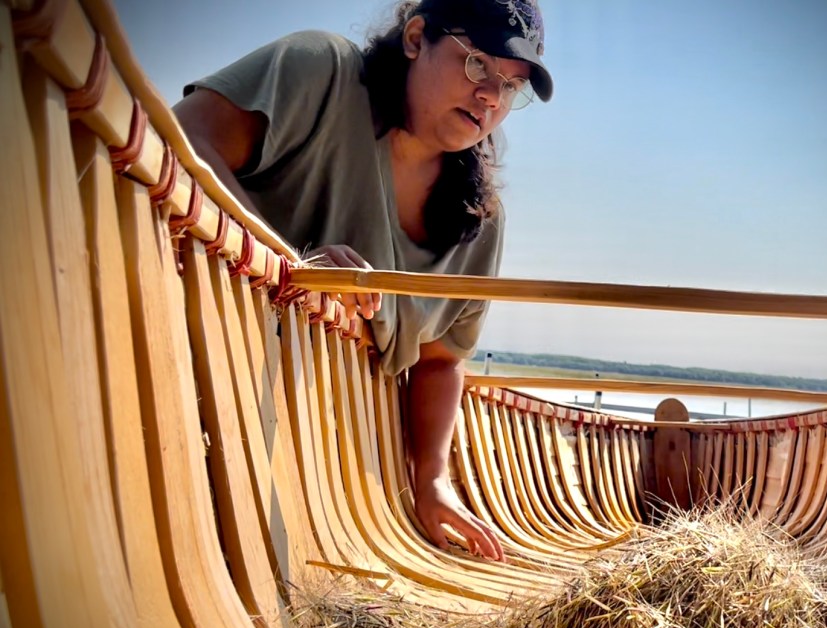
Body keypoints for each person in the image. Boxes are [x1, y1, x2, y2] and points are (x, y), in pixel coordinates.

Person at [174, 0, 553, 563]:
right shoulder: (320, 73)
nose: (492, 97)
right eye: (477, 65)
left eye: (511, 85)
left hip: (323, 489)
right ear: (415, 37)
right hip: (192, 402)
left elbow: (441, 360)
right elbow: (186, 143)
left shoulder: (480, 222)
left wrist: (430, 481)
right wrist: (292, 263)